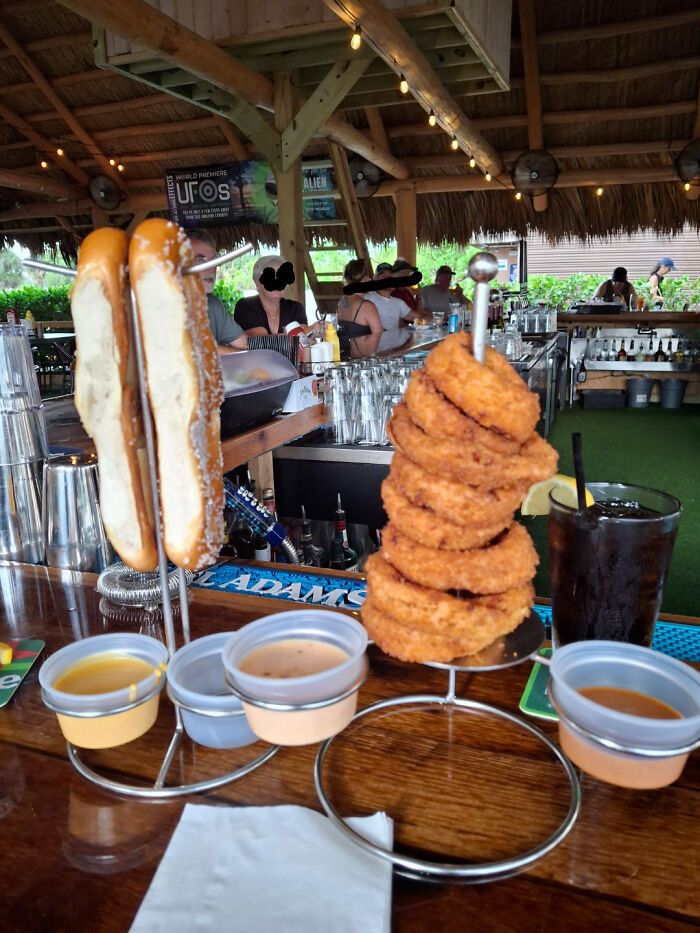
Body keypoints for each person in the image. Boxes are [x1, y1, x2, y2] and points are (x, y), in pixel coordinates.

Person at [187, 229, 247, 353]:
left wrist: (285, 342)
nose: (211, 268)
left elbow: (243, 343)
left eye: (214, 260)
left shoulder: (213, 304)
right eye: (200, 260)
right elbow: (196, 352)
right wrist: (249, 356)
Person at [234, 255, 315, 335]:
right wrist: (305, 333)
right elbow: (258, 341)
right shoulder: (245, 306)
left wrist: (312, 332)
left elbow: (307, 341)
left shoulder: (295, 308)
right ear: (257, 282)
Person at [336, 258, 383, 357]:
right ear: (365, 279)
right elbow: (378, 332)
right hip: (363, 361)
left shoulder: (341, 302)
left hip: (345, 359)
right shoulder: (366, 306)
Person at [366, 262, 418, 331]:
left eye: (390, 277)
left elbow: (419, 317)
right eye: (384, 276)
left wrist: (434, 320)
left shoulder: (398, 302)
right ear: (375, 279)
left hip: (398, 339)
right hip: (379, 340)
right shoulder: (367, 299)